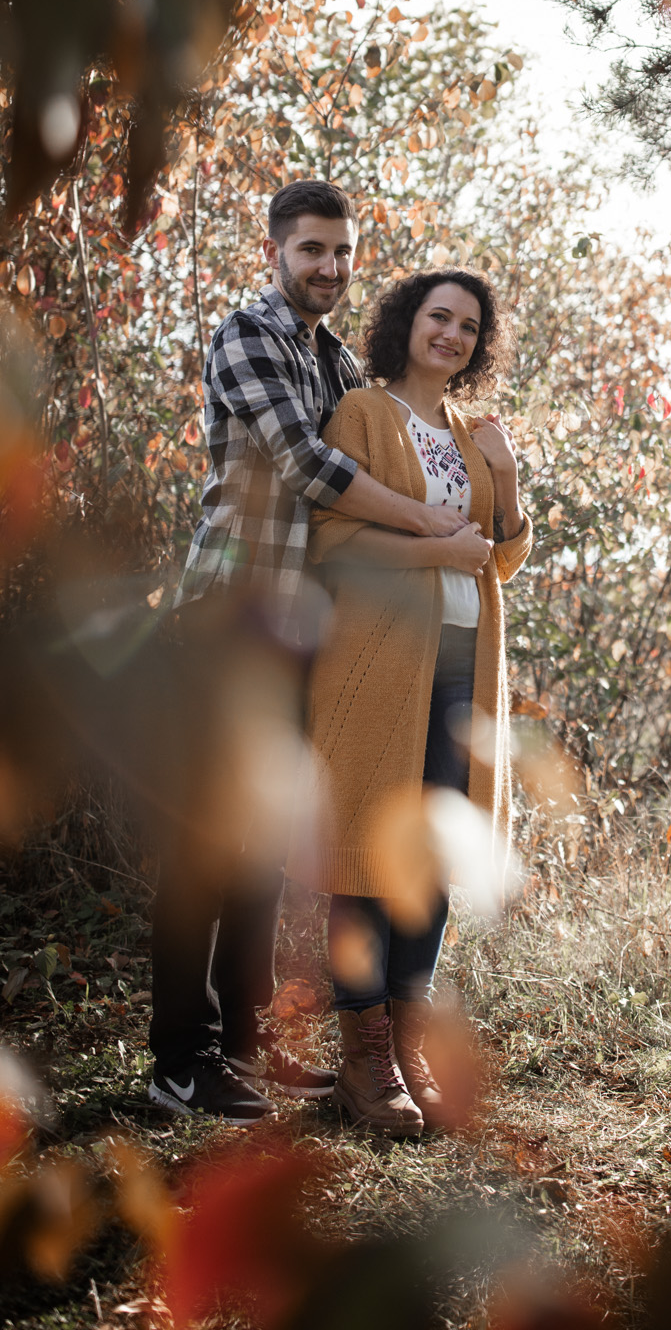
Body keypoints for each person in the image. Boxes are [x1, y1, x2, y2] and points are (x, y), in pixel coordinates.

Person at [148, 182, 476, 1124]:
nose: (327, 268)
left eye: (340, 253)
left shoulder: (332, 360)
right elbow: (314, 469)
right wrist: (427, 521)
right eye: (310, 252)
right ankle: (181, 1062)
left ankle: (245, 1051)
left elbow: (364, 471)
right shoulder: (246, 335)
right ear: (275, 251)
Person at [303, 267, 531, 1135]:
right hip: (375, 664)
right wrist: (432, 554)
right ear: (406, 322)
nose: (453, 335)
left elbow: (498, 560)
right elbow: (334, 541)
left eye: (469, 327)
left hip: (463, 668)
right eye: (439, 317)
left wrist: (504, 479)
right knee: (364, 851)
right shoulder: (362, 415)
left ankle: (408, 1047)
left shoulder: (474, 432)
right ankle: (363, 1064)